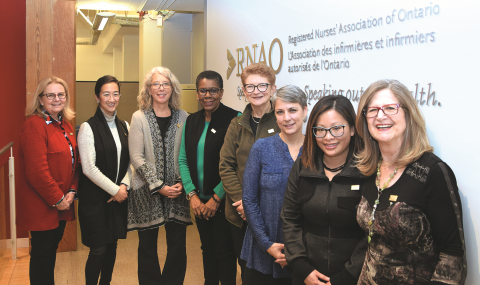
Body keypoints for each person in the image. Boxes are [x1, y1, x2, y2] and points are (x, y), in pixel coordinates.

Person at [354, 79, 466, 284]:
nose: (380, 116)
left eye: (390, 108)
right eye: (373, 110)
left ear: (408, 113)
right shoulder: (369, 169)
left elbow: (452, 257)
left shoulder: (433, 172)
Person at [281, 95, 367, 285]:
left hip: (352, 277)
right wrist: (302, 267)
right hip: (306, 276)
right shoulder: (303, 167)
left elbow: (372, 234)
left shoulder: (366, 171)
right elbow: (289, 217)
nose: (328, 137)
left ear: (353, 129)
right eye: (320, 130)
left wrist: (345, 278)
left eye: (337, 128)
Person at [127, 66, 191, 285]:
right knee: (147, 245)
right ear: (149, 89)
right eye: (156, 84)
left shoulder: (184, 116)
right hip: (147, 190)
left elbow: (188, 154)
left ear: (172, 88)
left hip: (177, 191)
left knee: (177, 244)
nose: (161, 88)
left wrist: (181, 184)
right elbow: (136, 157)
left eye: (165, 84)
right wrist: (158, 184)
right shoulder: (139, 117)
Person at [241, 85, 307, 285]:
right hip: (262, 249)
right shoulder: (261, 147)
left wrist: (297, 251)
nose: (286, 118)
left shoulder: (317, 150)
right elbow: (249, 200)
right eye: (280, 112)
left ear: (305, 111)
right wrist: (267, 244)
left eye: (293, 110)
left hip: (304, 252)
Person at [178, 70, 240, 285]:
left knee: (225, 251)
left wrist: (216, 198)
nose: (208, 95)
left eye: (213, 90)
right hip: (198, 202)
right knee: (207, 249)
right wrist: (192, 195)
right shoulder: (191, 120)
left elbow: (236, 165)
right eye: (203, 90)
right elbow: (183, 160)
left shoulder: (235, 119)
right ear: (197, 93)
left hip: (223, 201)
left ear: (221, 92)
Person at [219, 63, 280, 277]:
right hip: (240, 213)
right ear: (244, 91)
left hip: (272, 213)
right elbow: (226, 165)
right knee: (247, 271)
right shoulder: (236, 124)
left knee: (274, 271)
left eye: (263, 85)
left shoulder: (284, 121)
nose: (257, 91)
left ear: (273, 89)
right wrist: (242, 203)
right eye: (250, 87)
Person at [18, 76, 80, 285]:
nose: (56, 99)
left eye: (61, 94)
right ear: (41, 99)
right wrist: (58, 198)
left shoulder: (65, 125)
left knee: (51, 252)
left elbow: (75, 162)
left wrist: (72, 191)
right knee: (43, 256)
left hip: (61, 203)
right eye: (50, 95)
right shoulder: (34, 125)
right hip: (43, 205)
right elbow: (37, 171)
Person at [77, 75, 132, 285]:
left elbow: (131, 162)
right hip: (96, 201)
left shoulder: (124, 126)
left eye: (115, 94)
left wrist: (124, 186)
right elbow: (89, 168)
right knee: (98, 250)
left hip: (118, 197)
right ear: (97, 97)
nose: (111, 99)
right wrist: (115, 190)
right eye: (106, 94)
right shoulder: (87, 128)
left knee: (112, 247)